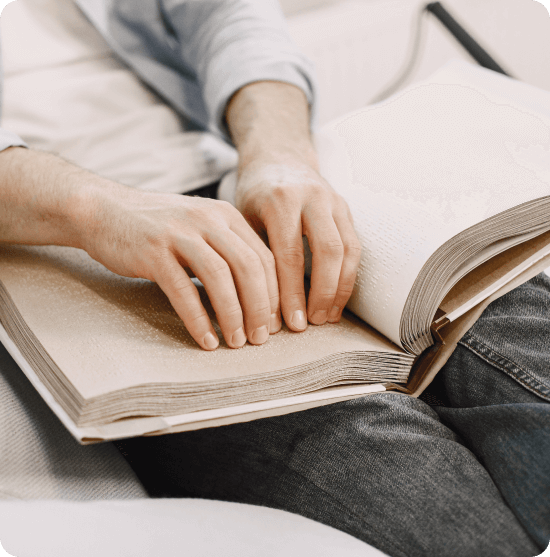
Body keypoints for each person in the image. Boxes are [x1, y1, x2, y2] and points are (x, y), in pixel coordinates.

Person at [0, 1, 548, 556]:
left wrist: (277, 156)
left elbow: (229, 17)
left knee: (505, 320)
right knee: (383, 458)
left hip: (227, 184)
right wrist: (99, 211)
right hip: (67, 248)